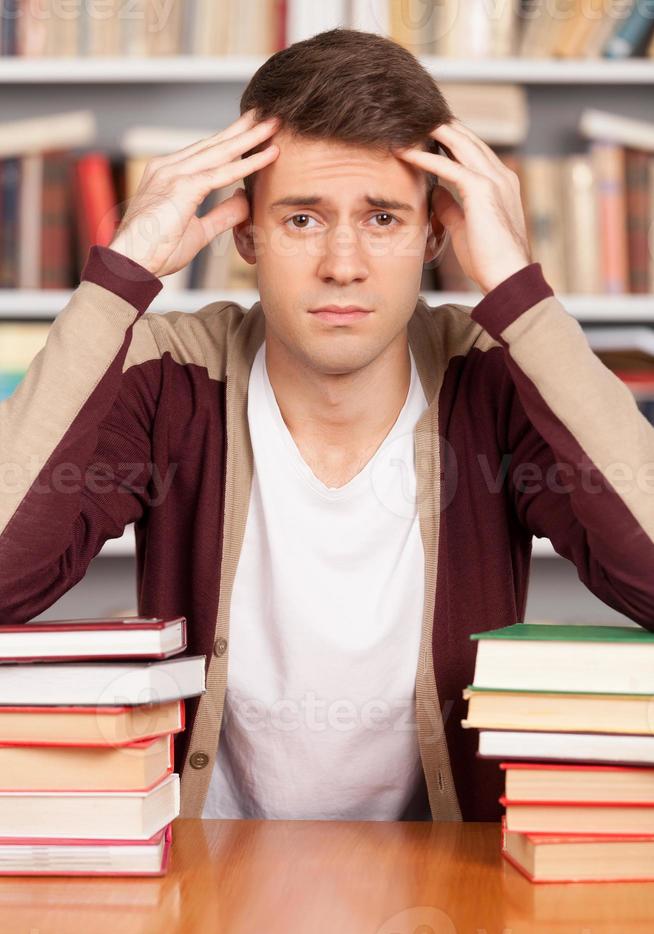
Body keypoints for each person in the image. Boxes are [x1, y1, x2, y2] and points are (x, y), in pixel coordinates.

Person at [1, 28, 652, 823]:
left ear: (436, 234)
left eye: (382, 219)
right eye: (302, 220)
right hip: (207, 902)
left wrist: (520, 288)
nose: (343, 263)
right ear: (246, 234)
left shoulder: (494, 379)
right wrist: (120, 276)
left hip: (446, 907)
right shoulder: (170, 377)